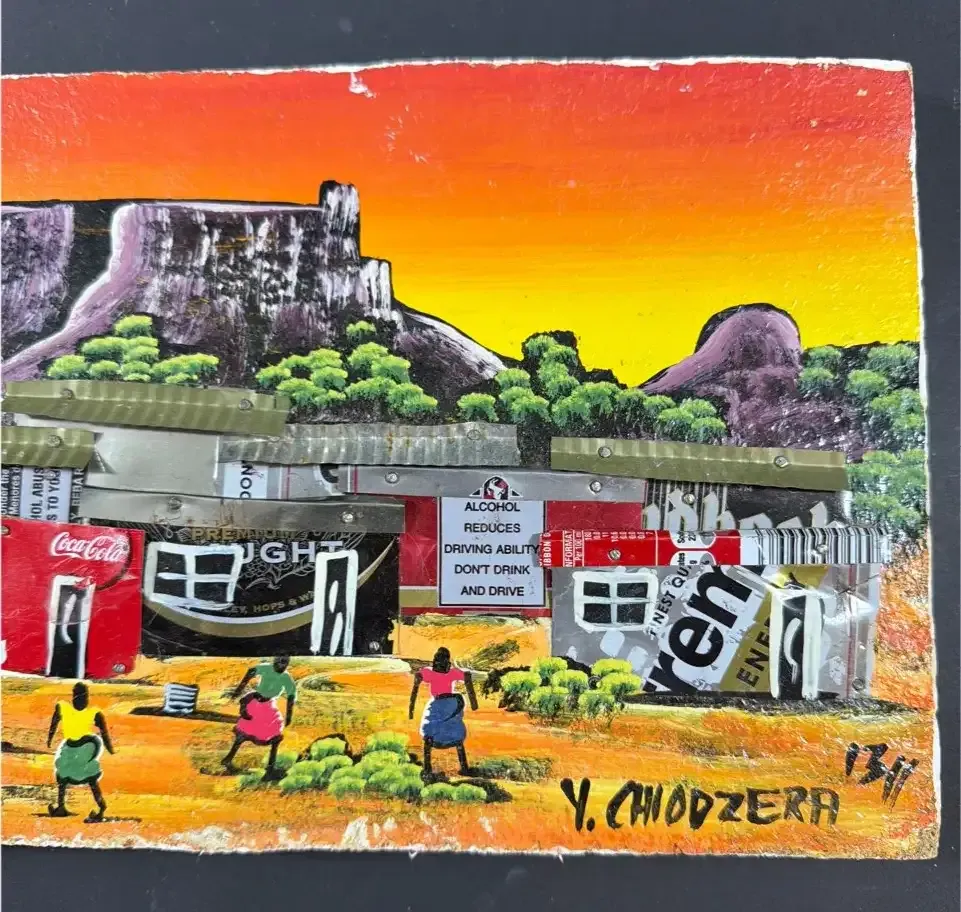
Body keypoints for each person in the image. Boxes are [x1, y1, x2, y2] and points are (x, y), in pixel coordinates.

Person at [46, 682, 114, 822]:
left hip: (85, 748)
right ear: (73, 697)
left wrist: (110, 749)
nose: (82, 700)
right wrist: (49, 739)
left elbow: (104, 734)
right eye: (79, 696)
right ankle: (61, 807)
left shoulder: (94, 713)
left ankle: (101, 807)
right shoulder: (63, 708)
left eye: (85, 697)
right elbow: (54, 724)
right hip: (70, 749)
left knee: (89, 778)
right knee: (64, 777)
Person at [221, 656, 296, 780]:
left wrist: (289, 716)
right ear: (274, 661)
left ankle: (269, 770)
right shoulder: (267, 669)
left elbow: (291, 696)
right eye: (278, 661)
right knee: (245, 734)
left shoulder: (286, 678)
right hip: (255, 705)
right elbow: (251, 671)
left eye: (284, 663)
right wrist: (238, 691)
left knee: (274, 737)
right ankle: (229, 760)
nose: (281, 665)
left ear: (287, 664)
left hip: (267, 707)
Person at [408, 647, 478, 776]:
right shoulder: (450, 673)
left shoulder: (431, 673)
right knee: (454, 734)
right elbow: (467, 677)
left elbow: (416, 683)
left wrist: (411, 709)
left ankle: (428, 768)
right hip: (449, 705)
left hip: (441, 705)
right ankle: (464, 768)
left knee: (430, 733)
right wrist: (474, 703)